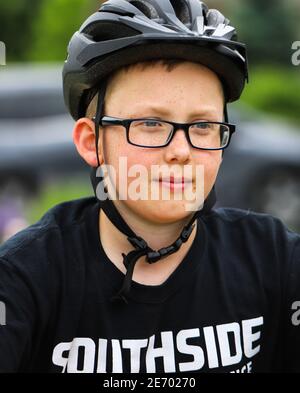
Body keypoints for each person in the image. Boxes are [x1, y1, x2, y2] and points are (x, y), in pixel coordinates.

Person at [0, 0, 299, 374]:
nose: (181, 150)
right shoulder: (27, 276)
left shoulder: (274, 259)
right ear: (90, 141)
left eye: (203, 126)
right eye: (151, 124)